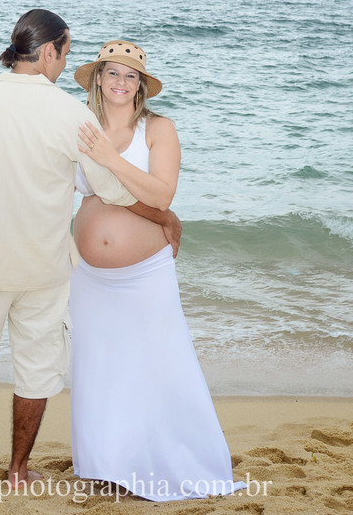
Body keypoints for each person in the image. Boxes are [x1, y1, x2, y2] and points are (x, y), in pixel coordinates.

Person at [0, 12, 182, 488]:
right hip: (44, 268)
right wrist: (164, 215)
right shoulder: (70, 114)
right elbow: (113, 189)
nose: (65, 63)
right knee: (37, 371)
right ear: (49, 51)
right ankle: (17, 471)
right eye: (67, 51)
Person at [69, 40, 244, 502]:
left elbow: (162, 195)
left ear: (141, 85)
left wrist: (111, 159)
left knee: (159, 363)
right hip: (88, 276)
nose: (121, 82)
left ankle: (173, 459)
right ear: (98, 81)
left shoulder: (158, 129)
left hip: (144, 273)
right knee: (100, 365)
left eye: (131, 76)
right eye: (112, 74)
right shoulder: (81, 127)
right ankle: (106, 462)